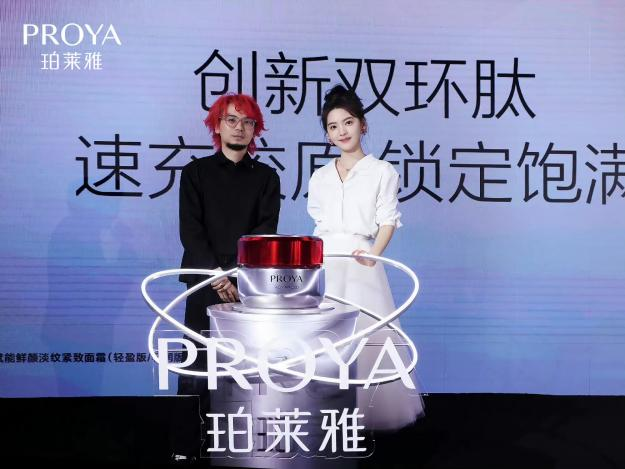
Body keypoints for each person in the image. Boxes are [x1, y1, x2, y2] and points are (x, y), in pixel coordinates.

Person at [307, 85, 424, 431]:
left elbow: (388, 220)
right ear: (327, 135)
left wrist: (373, 255)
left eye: (348, 122)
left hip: (361, 261)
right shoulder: (320, 176)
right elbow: (318, 223)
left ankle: (364, 416)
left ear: (362, 124)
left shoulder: (382, 171)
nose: (342, 131)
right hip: (326, 263)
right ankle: (326, 415)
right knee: (324, 339)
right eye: (333, 126)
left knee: (367, 337)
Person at [173, 93, 281, 460]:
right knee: (197, 364)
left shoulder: (267, 177)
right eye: (231, 120)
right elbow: (191, 231)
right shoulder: (195, 173)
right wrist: (217, 276)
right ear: (217, 126)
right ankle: (188, 447)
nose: (240, 128)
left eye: (248, 122)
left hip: (248, 285)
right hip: (204, 281)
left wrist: (236, 276)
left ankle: (243, 445)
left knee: (246, 366)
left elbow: (264, 232)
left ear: (255, 130)